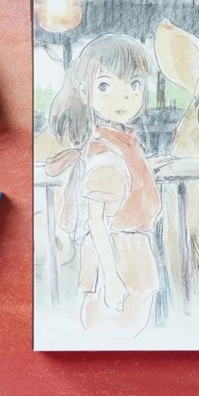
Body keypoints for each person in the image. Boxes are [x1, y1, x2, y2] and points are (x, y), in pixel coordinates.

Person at [44, 34, 162, 336]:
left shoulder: (121, 143)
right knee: (116, 337)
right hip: (118, 257)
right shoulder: (105, 156)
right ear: (85, 92)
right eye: (106, 86)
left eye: (134, 84)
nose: (124, 97)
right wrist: (112, 278)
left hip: (131, 255)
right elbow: (96, 221)